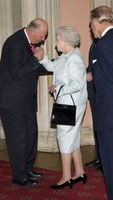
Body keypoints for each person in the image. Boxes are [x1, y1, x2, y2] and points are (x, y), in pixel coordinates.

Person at [0, 18, 48, 186]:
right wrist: (36, 59)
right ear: (33, 31)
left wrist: (58, 67)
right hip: (11, 100)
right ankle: (19, 175)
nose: (44, 39)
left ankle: (28, 169)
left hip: (25, 99)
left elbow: (33, 68)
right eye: (43, 35)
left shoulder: (29, 41)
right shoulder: (14, 44)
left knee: (31, 134)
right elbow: (17, 73)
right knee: (18, 138)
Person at [39, 26, 88, 189]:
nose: (55, 43)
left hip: (70, 105)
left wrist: (57, 88)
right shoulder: (67, 56)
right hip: (66, 103)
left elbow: (77, 84)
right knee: (71, 138)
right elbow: (53, 67)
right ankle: (79, 171)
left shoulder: (74, 59)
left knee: (64, 138)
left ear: (66, 42)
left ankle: (66, 176)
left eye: (58, 40)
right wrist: (42, 58)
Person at [89, 6, 113, 200]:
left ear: (97, 22)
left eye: (91, 24)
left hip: (109, 113)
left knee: (110, 162)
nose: (91, 28)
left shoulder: (104, 44)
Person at [85, 37, 102, 171]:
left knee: (103, 127)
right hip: (93, 91)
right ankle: (99, 157)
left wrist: (93, 74)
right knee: (97, 126)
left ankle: (104, 159)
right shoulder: (95, 42)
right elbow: (92, 64)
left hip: (102, 92)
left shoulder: (107, 41)